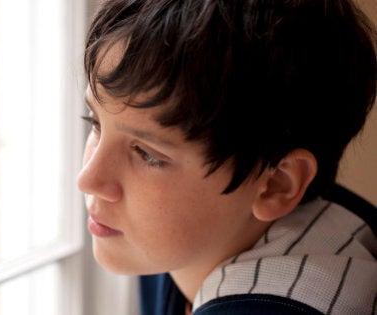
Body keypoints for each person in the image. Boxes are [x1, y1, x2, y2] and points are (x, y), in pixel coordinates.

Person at [76, 0, 377, 314]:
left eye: (147, 155)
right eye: (95, 123)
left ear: (275, 183)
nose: (89, 179)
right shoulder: (187, 238)